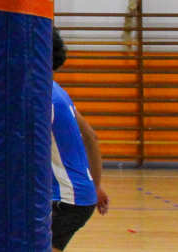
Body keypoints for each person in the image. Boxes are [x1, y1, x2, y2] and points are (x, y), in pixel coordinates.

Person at [50, 27, 109, 251]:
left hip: (67, 199)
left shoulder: (44, 99)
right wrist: (96, 185)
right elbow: (90, 136)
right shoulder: (56, 91)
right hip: (78, 195)